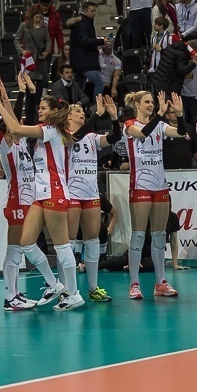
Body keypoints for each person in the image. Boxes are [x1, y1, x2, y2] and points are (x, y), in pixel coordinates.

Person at [0, 83, 84, 311]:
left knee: (62, 246)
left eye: (43, 108)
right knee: (26, 243)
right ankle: (54, 284)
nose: (39, 110)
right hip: (40, 193)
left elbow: (15, 127)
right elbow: (15, 125)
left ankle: (73, 294)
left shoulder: (51, 130)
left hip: (55, 191)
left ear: (53, 112)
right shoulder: (50, 131)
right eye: (39, 107)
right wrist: (4, 98)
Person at [123, 91, 190, 299]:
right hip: (140, 185)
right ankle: (134, 284)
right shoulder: (129, 125)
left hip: (160, 186)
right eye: (147, 102)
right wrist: (160, 114)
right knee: (138, 235)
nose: (151, 105)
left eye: (152, 102)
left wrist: (180, 115)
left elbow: (181, 133)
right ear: (137, 104)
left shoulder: (160, 125)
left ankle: (160, 282)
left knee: (160, 235)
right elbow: (143, 134)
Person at [66, 96, 122, 302]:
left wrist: (114, 118)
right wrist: (96, 115)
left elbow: (115, 137)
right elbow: (75, 137)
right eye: (77, 111)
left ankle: (93, 288)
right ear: (68, 116)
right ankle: (68, 290)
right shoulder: (65, 135)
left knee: (92, 241)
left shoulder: (91, 137)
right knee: (68, 243)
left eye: (83, 112)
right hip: (71, 194)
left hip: (90, 195)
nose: (82, 114)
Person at [0, 91, 38, 311]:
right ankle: (9, 297)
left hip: (27, 201)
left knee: (19, 250)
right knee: (14, 250)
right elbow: (12, 125)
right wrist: (2, 103)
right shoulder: (6, 146)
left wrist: (7, 97)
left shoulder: (22, 144)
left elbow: (14, 120)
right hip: (16, 202)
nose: (20, 125)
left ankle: (15, 293)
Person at [69, 2, 107, 101]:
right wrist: (101, 41)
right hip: (85, 61)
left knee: (79, 87)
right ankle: (97, 106)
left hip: (78, 61)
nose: (94, 13)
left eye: (95, 11)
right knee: (99, 82)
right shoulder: (83, 24)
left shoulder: (82, 23)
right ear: (85, 11)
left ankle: (76, 106)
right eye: (92, 11)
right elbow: (85, 41)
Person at [14, 5, 52, 104]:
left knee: (42, 82)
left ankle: (37, 105)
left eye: (40, 17)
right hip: (29, 58)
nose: (39, 19)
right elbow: (16, 40)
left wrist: (47, 51)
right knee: (29, 84)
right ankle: (29, 106)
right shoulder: (24, 26)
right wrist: (22, 51)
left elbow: (48, 40)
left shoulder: (44, 26)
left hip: (41, 58)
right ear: (32, 17)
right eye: (36, 17)